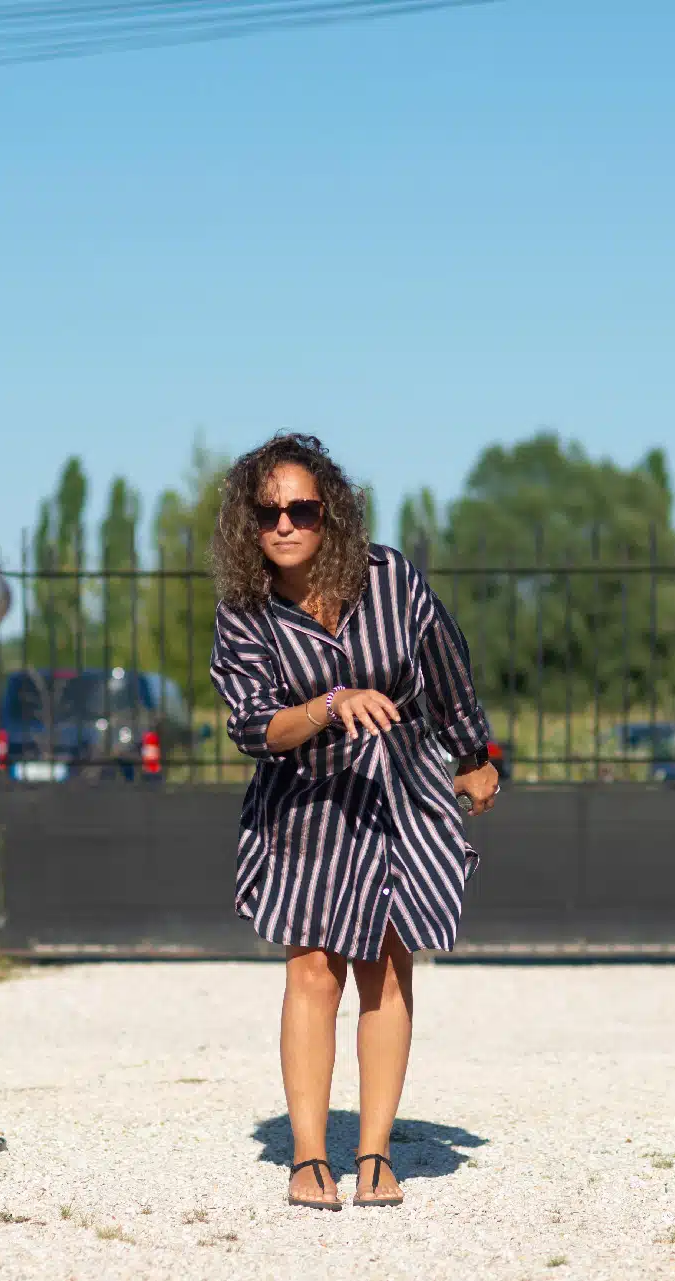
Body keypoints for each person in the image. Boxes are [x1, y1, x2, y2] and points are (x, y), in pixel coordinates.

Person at [208, 433, 499, 1211]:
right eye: (268, 511)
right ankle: (308, 1157)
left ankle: (374, 1154)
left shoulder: (389, 577)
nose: (285, 523)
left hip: (398, 788)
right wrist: (330, 704)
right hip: (306, 799)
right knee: (313, 966)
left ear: (330, 513)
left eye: (302, 507)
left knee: (387, 963)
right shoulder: (246, 611)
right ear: (249, 523)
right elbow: (251, 727)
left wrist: (474, 752)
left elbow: (444, 660)